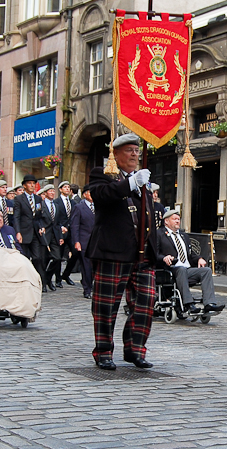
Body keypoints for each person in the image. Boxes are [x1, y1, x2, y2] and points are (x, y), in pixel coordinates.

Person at [86, 132, 159, 370]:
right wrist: (130, 183)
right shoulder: (104, 174)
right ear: (115, 154)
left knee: (146, 302)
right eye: (129, 150)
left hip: (142, 254)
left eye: (137, 151)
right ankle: (104, 351)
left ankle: (135, 349)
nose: (135, 155)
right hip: (113, 251)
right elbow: (102, 195)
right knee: (106, 306)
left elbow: (149, 216)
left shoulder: (143, 180)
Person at [157, 209, 225, 313]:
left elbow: (190, 253)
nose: (177, 221)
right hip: (171, 270)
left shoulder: (183, 236)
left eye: (179, 219)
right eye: (174, 219)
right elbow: (155, 253)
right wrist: (164, 258)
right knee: (181, 269)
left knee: (206, 271)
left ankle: (209, 304)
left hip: (186, 269)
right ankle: (189, 304)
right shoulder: (159, 234)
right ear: (166, 221)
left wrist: (199, 258)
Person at [13, 174, 46, 293]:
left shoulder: (38, 199)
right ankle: (24, 281)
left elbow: (40, 216)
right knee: (24, 258)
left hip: (35, 232)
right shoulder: (19, 199)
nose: (32, 185)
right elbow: (16, 217)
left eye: (33, 183)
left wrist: (41, 226)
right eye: (29, 183)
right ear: (24, 185)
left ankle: (38, 281)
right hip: (24, 231)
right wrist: (17, 232)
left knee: (37, 257)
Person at [70, 184, 95, 299]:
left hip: (96, 241)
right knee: (86, 266)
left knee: (94, 266)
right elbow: (75, 225)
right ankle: (87, 288)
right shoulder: (79, 207)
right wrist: (76, 241)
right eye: (90, 192)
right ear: (85, 194)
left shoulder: (98, 207)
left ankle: (91, 284)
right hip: (84, 240)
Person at [40, 184, 64, 291]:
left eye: (53, 191)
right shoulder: (41, 204)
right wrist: (41, 227)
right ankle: (43, 283)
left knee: (57, 258)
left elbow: (58, 223)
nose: (52, 193)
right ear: (45, 193)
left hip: (54, 235)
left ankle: (48, 278)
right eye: (50, 191)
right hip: (45, 235)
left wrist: (60, 236)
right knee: (44, 260)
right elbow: (38, 219)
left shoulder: (56, 205)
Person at [55, 180, 76, 287]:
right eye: (65, 187)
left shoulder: (73, 203)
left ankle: (66, 274)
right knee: (59, 256)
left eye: (68, 187)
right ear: (60, 189)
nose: (67, 189)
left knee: (75, 253)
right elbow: (54, 217)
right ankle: (58, 278)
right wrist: (60, 227)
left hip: (71, 232)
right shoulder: (56, 202)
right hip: (61, 232)